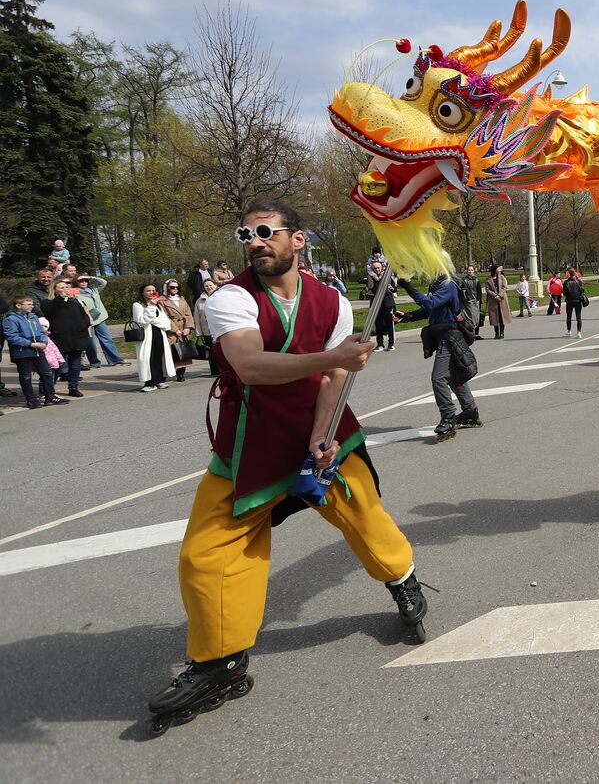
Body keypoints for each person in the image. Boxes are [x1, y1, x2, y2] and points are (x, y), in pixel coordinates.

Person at [147, 200, 426, 732]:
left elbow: (332, 381)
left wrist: (322, 436)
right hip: (252, 445)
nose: (254, 241)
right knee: (207, 555)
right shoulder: (229, 298)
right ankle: (221, 663)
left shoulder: (332, 301)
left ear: (298, 240)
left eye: (265, 232)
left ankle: (403, 577)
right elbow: (249, 365)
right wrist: (335, 357)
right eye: (246, 234)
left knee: (364, 516)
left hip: (324, 433)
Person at [396, 274, 482, 441]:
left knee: (438, 378)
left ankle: (448, 418)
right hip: (443, 334)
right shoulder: (439, 284)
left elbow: (430, 303)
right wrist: (408, 316)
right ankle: (470, 411)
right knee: (454, 375)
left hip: (449, 336)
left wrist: (408, 287)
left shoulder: (448, 284)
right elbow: (431, 309)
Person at [4, 295, 63, 408]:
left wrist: (44, 342)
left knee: (47, 372)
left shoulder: (34, 317)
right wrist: (31, 344)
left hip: (38, 351)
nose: (32, 306)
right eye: (29, 304)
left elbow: (41, 332)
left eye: (32, 304)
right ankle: (31, 399)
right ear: (19, 306)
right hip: (22, 352)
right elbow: (12, 337)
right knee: (26, 376)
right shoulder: (11, 319)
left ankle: (50, 396)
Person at [42, 278, 92, 397]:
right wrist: (60, 298)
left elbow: (84, 316)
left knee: (75, 363)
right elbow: (47, 311)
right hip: (60, 337)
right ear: (54, 290)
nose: (65, 290)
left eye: (66, 287)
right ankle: (49, 389)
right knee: (58, 364)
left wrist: (84, 326)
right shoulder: (49, 302)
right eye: (61, 287)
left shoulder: (75, 301)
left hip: (77, 336)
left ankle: (73, 387)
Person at [75, 274, 127, 368]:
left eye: (86, 281)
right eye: (81, 281)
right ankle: (94, 362)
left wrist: (91, 277)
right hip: (87, 320)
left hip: (100, 318)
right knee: (91, 343)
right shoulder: (75, 292)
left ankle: (115, 359)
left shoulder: (93, 289)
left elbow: (104, 282)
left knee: (107, 339)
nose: (84, 283)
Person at [131, 284, 175, 392]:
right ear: (142, 292)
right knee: (147, 358)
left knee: (159, 357)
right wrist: (150, 307)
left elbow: (165, 322)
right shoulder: (138, 305)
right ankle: (150, 382)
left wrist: (154, 319)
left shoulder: (158, 305)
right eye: (148, 291)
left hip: (159, 334)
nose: (151, 293)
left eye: (153, 290)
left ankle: (159, 380)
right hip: (147, 335)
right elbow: (141, 321)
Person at [367, 260, 397, 352]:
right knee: (378, 325)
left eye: (378, 268)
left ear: (382, 268)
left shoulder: (387, 277)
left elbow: (395, 289)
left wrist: (391, 288)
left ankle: (391, 344)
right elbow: (370, 290)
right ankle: (380, 344)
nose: (377, 269)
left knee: (389, 324)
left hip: (387, 304)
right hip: (376, 305)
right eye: (375, 268)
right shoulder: (371, 278)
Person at [485, 264, 512, 339]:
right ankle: (496, 333)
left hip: (502, 299)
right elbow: (487, 289)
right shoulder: (488, 279)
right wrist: (495, 295)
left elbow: (504, 287)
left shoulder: (501, 277)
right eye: (498, 268)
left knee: (502, 317)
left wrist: (499, 295)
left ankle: (502, 332)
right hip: (493, 300)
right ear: (494, 269)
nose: (499, 269)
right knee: (494, 317)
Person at [561, 267, 586, 338]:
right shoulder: (579, 281)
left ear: (568, 274)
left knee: (569, 317)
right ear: (574, 273)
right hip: (578, 301)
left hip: (569, 302)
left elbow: (565, 293)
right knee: (578, 317)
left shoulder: (566, 282)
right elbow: (582, 291)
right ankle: (579, 333)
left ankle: (569, 331)